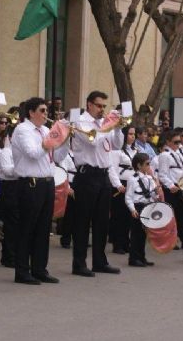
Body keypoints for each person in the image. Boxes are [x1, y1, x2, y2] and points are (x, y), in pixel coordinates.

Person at [12, 97, 69, 284]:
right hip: (30, 183)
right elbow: (33, 153)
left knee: (44, 229)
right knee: (27, 228)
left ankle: (39, 268)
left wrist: (65, 139)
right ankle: (22, 271)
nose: (46, 114)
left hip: (47, 182)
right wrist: (52, 138)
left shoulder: (45, 130)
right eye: (43, 110)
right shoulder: (23, 130)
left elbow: (58, 156)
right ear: (31, 112)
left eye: (47, 111)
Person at [71, 91, 124, 277]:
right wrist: (109, 125)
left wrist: (117, 128)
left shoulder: (104, 123)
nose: (102, 109)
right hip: (87, 175)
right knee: (83, 222)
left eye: (104, 106)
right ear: (89, 105)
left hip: (103, 175)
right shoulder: (81, 122)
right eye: (99, 105)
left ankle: (100, 262)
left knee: (102, 221)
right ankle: (79, 264)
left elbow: (117, 145)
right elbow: (92, 141)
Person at [125, 152, 160, 267]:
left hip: (147, 206)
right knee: (136, 234)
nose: (149, 166)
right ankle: (134, 259)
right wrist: (132, 209)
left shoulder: (150, 178)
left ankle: (141, 257)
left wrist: (156, 194)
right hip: (138, 207)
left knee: (143, 234)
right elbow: (128, 197)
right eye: (147, 164)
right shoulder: (132, 179)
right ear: (139, 166)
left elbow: (153, 196)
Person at [157, 130, 183, 249]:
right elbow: (162, 175)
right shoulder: (165, 155)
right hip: (171, 189)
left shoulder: (178, 153)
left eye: (179, 142)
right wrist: (171, 186)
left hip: (180, 187)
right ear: (168, 142)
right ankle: (171, 240)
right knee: (171, 216)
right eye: (175, 142)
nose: (178, 144)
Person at [109, 126, 137, 254]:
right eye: (130, 134)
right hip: (121, 184)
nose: (132, 136)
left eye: (134, 134)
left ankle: (127, 242)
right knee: (119, 215)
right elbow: (112, 169)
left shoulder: (136, 150)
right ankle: (118, 244)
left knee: (129, 215)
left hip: (133, 184)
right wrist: (118, 185)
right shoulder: (117, 151)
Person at [0, 124, 19, 267]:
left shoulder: (18, 153)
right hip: (10, 187)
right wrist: (23, 167)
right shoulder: (6, 152)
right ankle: (8, 256)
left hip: (19, 186)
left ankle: (14, 254)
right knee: (11, 223)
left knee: (17, 223)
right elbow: (6, 171)